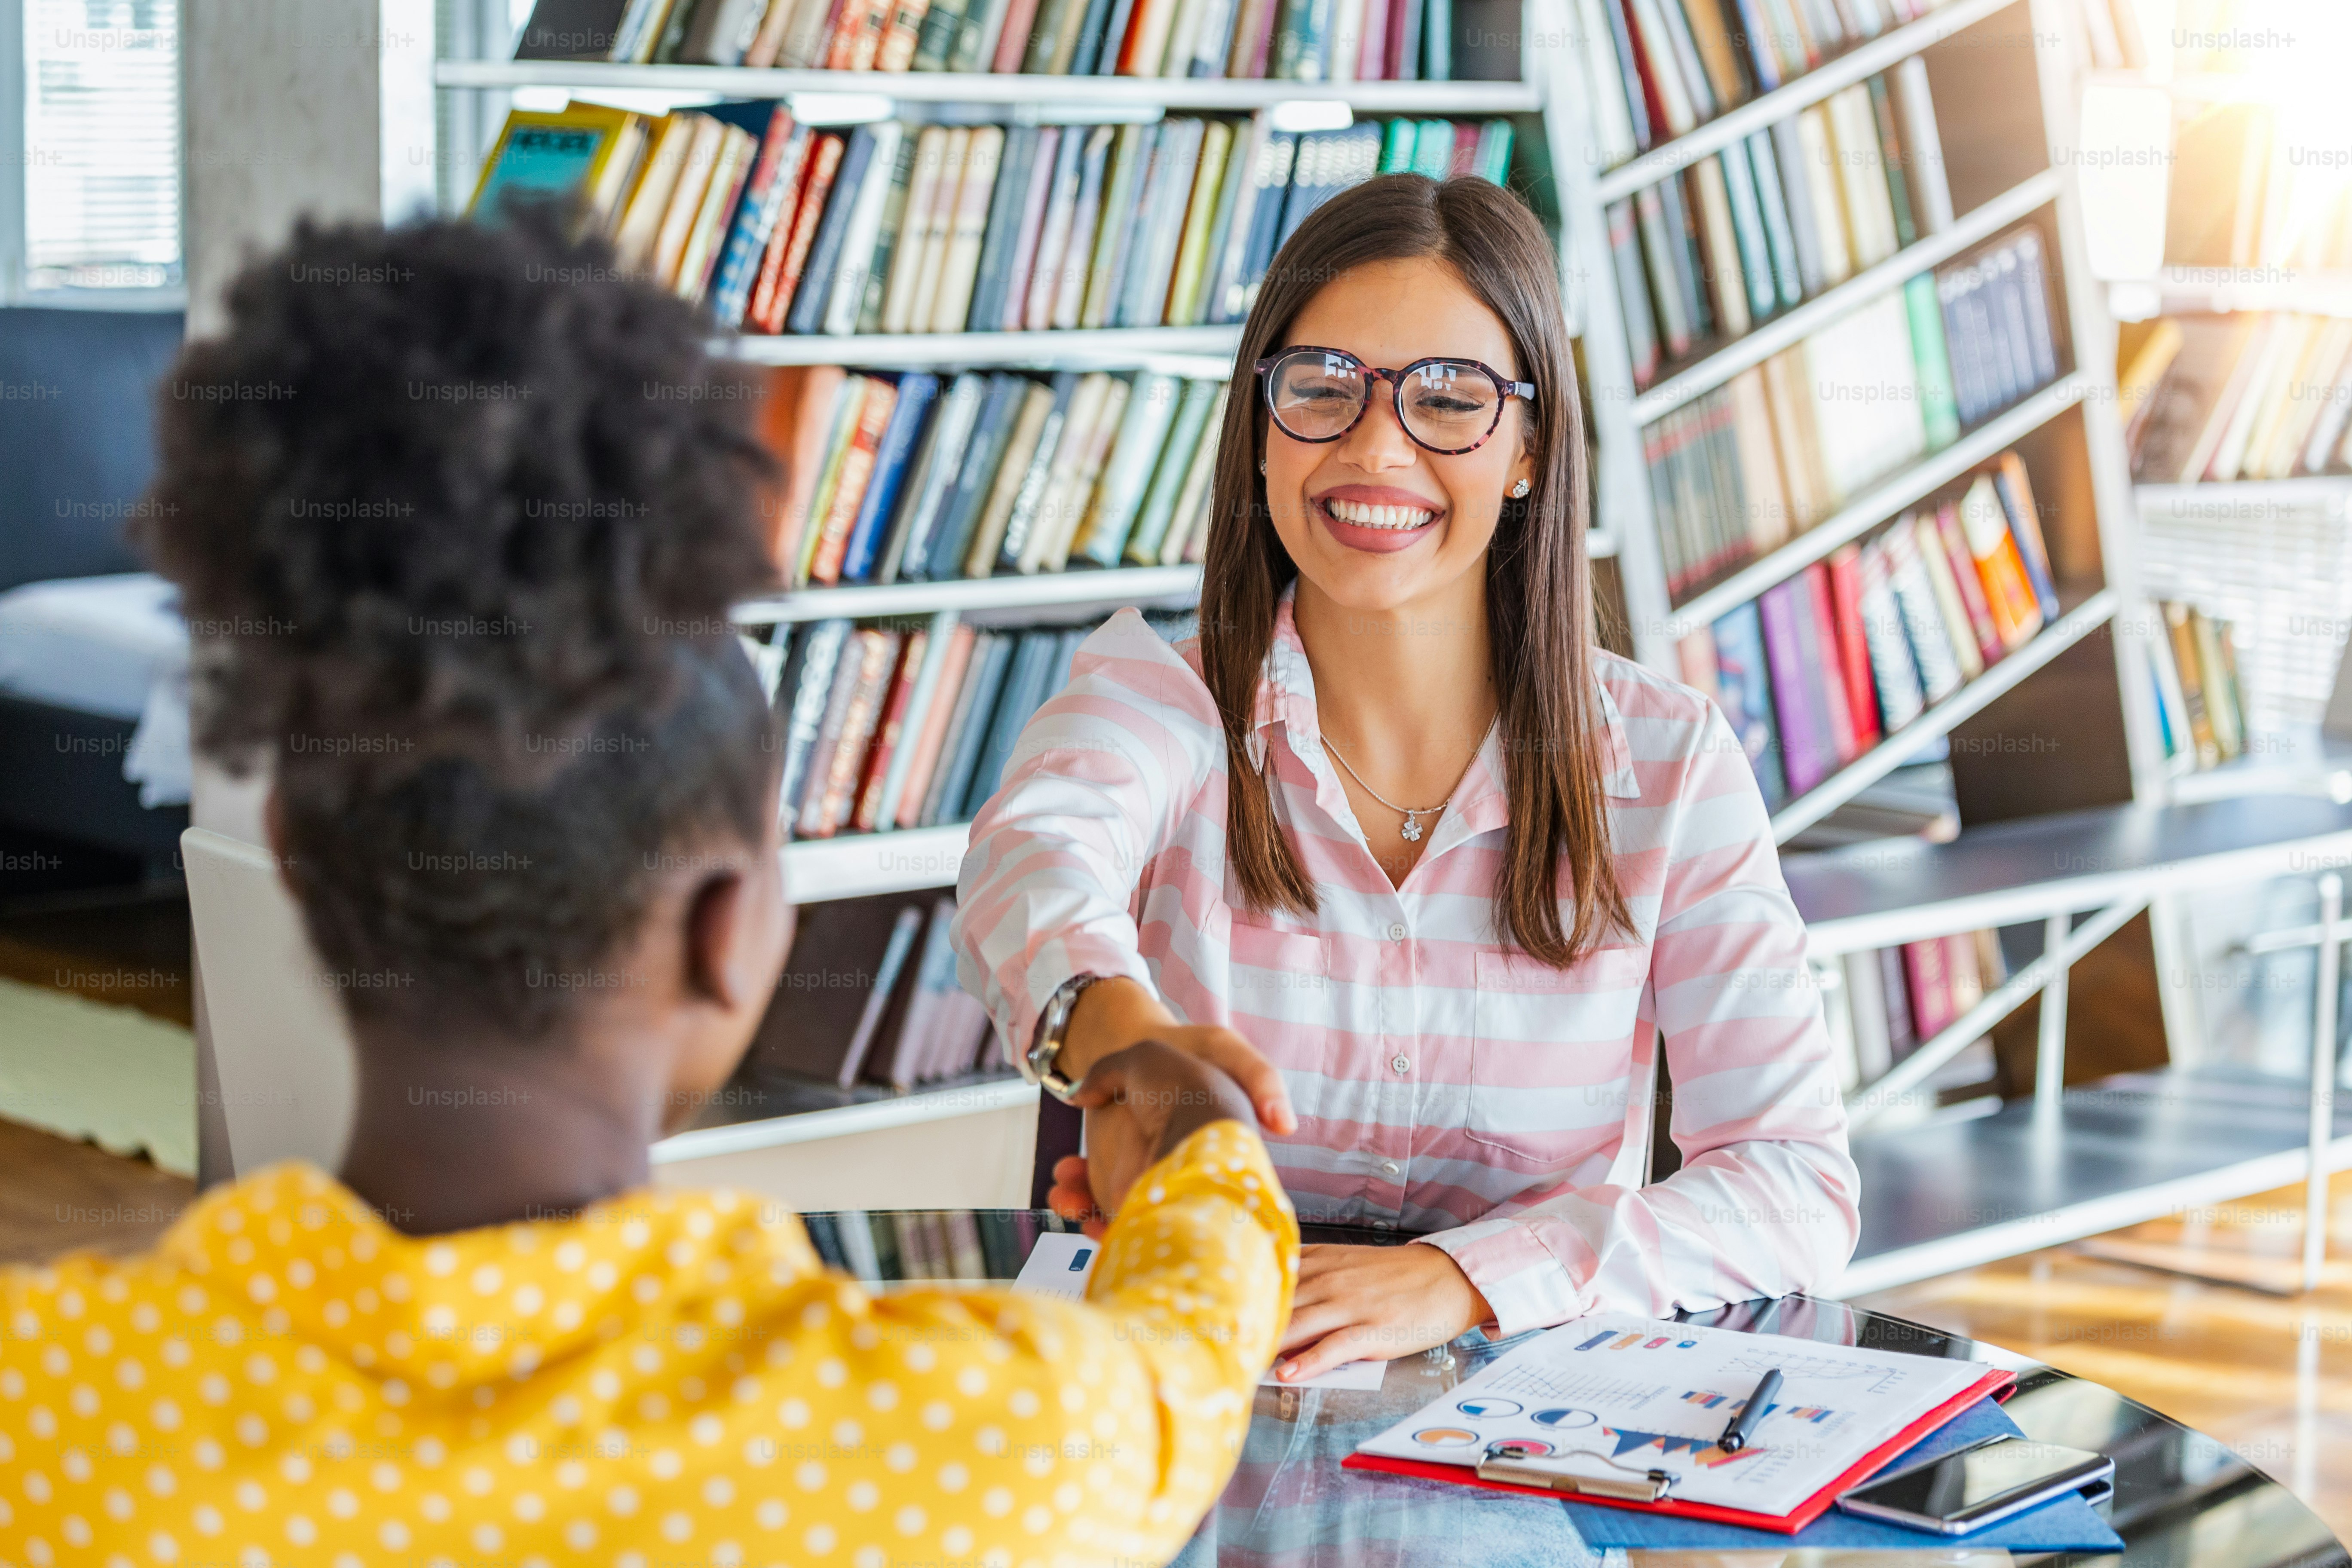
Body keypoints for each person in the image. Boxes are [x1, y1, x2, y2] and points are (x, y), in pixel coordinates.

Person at [0, 216, 1295, 1562]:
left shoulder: (45, 1414)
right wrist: (1202, 1146)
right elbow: (1187, 1361)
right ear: (730, 937)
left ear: (302, 873)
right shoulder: (987, 1440)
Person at [953, 173, 1858, 1384]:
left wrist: (1462, 1277)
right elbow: (1036, 851)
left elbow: (1796, 1187)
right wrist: (1120, 1033)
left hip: (1530, 1440)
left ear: (1531, 449)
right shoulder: (1159, 701)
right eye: (1323, 389)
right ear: (1262, 427)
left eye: (1450, 399)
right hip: (1193, 1397)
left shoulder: (1666, 762)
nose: (1375, 448)